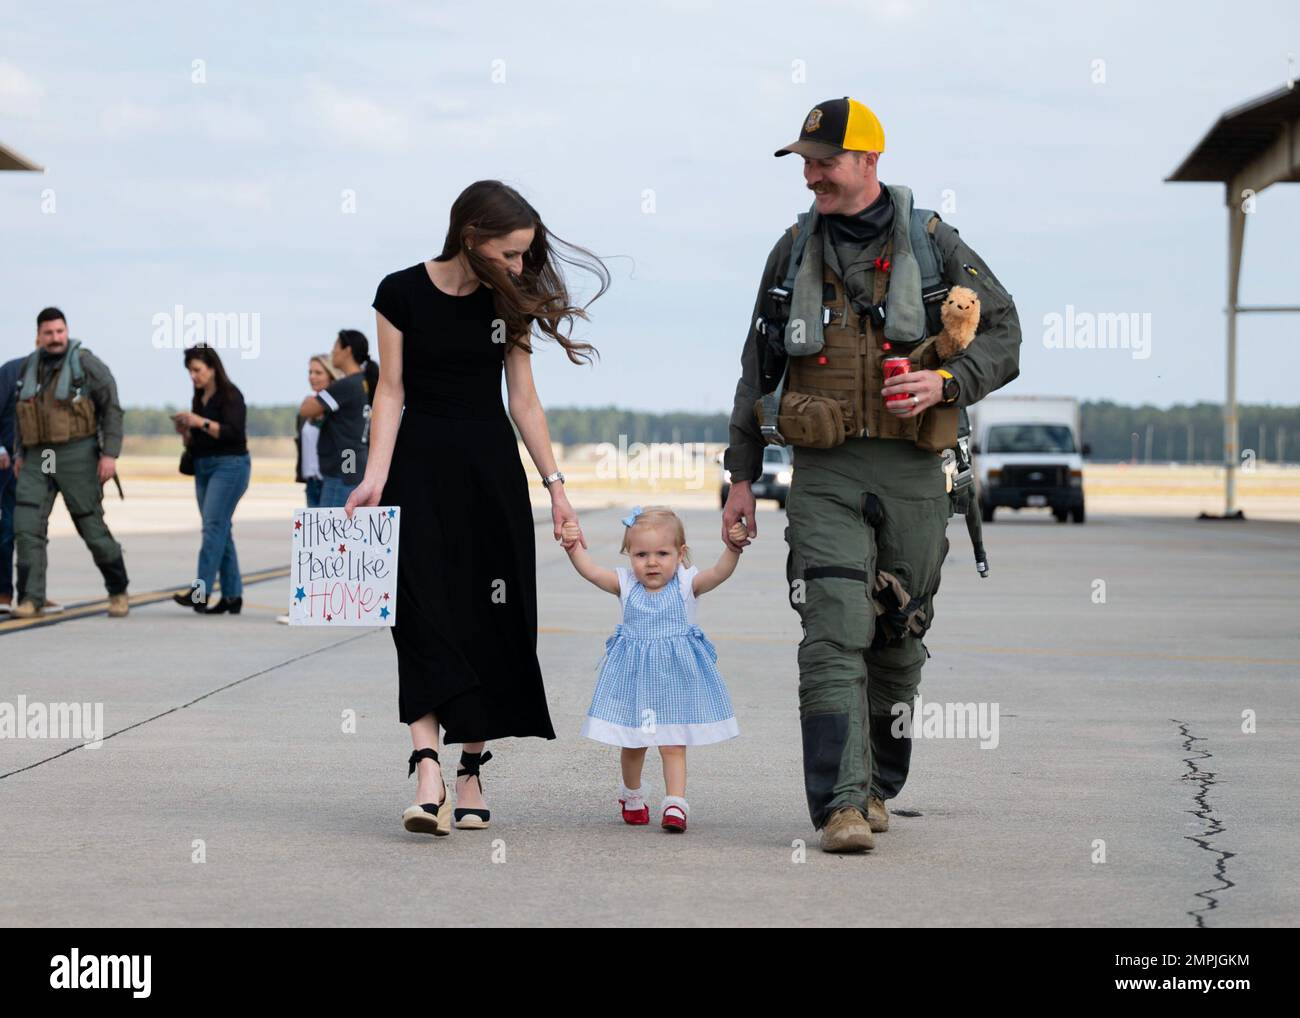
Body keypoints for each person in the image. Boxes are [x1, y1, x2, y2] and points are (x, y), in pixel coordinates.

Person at [723, 98, 1022, 853]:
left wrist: (947, 383)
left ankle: (880, 783)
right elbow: (757, 369)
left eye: (824, 162)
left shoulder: (932, 243)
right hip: (823, 472)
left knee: (899, 636)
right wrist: (739, 478)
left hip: (916, 470)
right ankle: (840, 807)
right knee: (833, 629)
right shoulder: (792, 250)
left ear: (868, 162)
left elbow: (1006, 331)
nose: (812, 176)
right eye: (806, 163)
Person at [346, 179, 608, 837]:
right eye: (512, 253)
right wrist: (374, 477)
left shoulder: (505, 302)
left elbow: (524, 400)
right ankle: (426, 766)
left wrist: (556, 486)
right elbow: (389, 394)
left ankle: (471, 769)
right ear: (472, 236)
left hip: (490, 474)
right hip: (417, 470)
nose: (520, 267)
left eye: (526, 256)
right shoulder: (399, 292)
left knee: (491, 618)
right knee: (421, 614)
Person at [561, 506, 746, 833]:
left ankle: (675, 803)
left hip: (674, 681)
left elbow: (719, 572)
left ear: (681, 554)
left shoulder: (688, 584)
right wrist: (574, 548)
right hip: (635, 681)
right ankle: (632, 796)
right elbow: (591, 571)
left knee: (673, 742)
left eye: (662, 553)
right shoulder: (626, 584)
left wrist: (732, 549)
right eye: (641, 554)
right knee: (634, 743)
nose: (651, 562)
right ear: (629, 554)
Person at [11, 308, 130, 619]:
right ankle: (30, 598)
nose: (55, 338)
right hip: (40, 456)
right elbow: (20, 415)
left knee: (90, 525)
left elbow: (112, 408)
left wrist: (109, 454)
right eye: (49, 333)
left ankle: (118, 590)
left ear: (67, 331)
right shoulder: (29, 367)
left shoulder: (86, 365)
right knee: (27, 526)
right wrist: (19, 455)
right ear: (39, 336)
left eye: (60, 331)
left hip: (77, 452)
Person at [171, 345, 250, 615]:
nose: (193, 376)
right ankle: (232, 596)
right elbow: (198, 440)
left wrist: (199, 421)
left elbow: (234, 433)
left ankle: (200, 591)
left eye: (197, 370)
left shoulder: (231, 395)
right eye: (189, 371)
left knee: (213, 527)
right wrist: (186, 430)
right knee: (220, 531)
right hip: (204, 466)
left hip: (230, 466)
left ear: (212, 368)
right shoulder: (199, 397)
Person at [297, 330, 375, 507]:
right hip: (354, 465)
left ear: (347, 351)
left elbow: (307, 410)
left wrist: (311, 401)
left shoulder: (347, 385)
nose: (332, 352)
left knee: (331, 532)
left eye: (335, 347)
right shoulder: (363, 382)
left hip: (342, 472)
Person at [294, 353, 342, 509]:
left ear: (331, 375)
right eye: (310, 372)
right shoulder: (307, 408)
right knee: (312, 533)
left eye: (318, 372)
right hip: (311, 483)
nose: (312, 377)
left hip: (331, 482)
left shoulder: (339, 408)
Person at [0, 353, 25, 613]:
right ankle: (4, 594)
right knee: (6, 529)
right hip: (8, 465)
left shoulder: (65, 375)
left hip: (42, 464)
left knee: (36, 533)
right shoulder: (12, 371)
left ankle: (33, 595)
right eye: (47, 333)